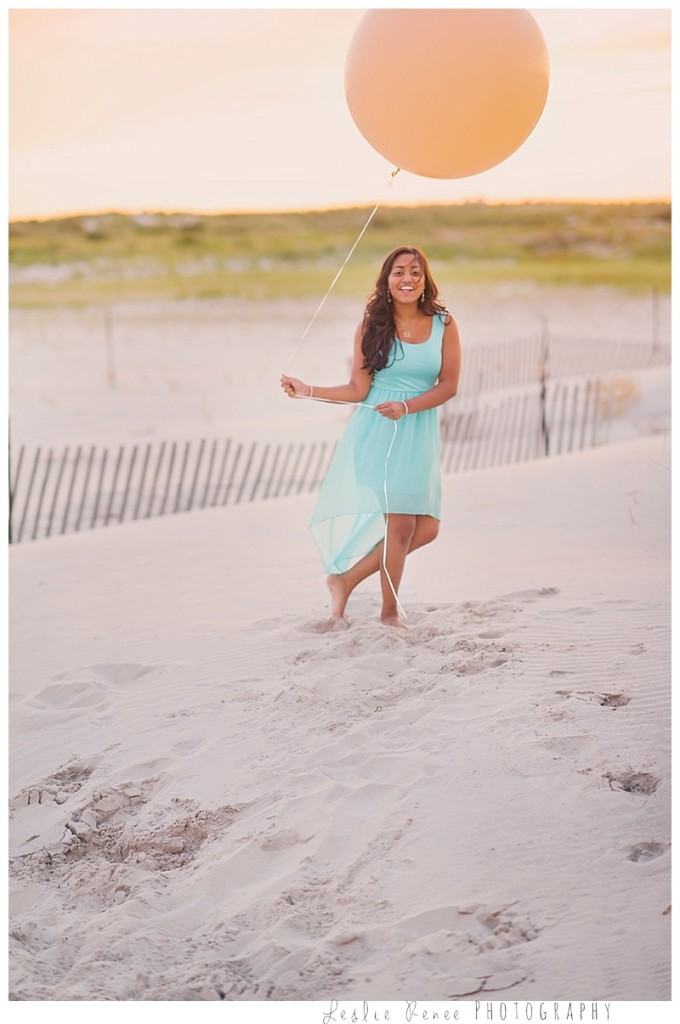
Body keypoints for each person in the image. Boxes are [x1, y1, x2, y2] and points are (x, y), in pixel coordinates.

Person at [281, 245, 461, 627]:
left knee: (426, 529)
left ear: (425, 279)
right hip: (379, 432)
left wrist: (408, 406)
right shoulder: (371, 325)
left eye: (415, 272)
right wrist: (308, 389)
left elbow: (448, 386)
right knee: (401, 527)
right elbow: (357, 389)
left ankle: (343, 581)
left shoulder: (444, 324)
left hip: (417, 432)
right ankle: (389, 614)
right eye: (398, 272)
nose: (407, 279)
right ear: (386, 280)